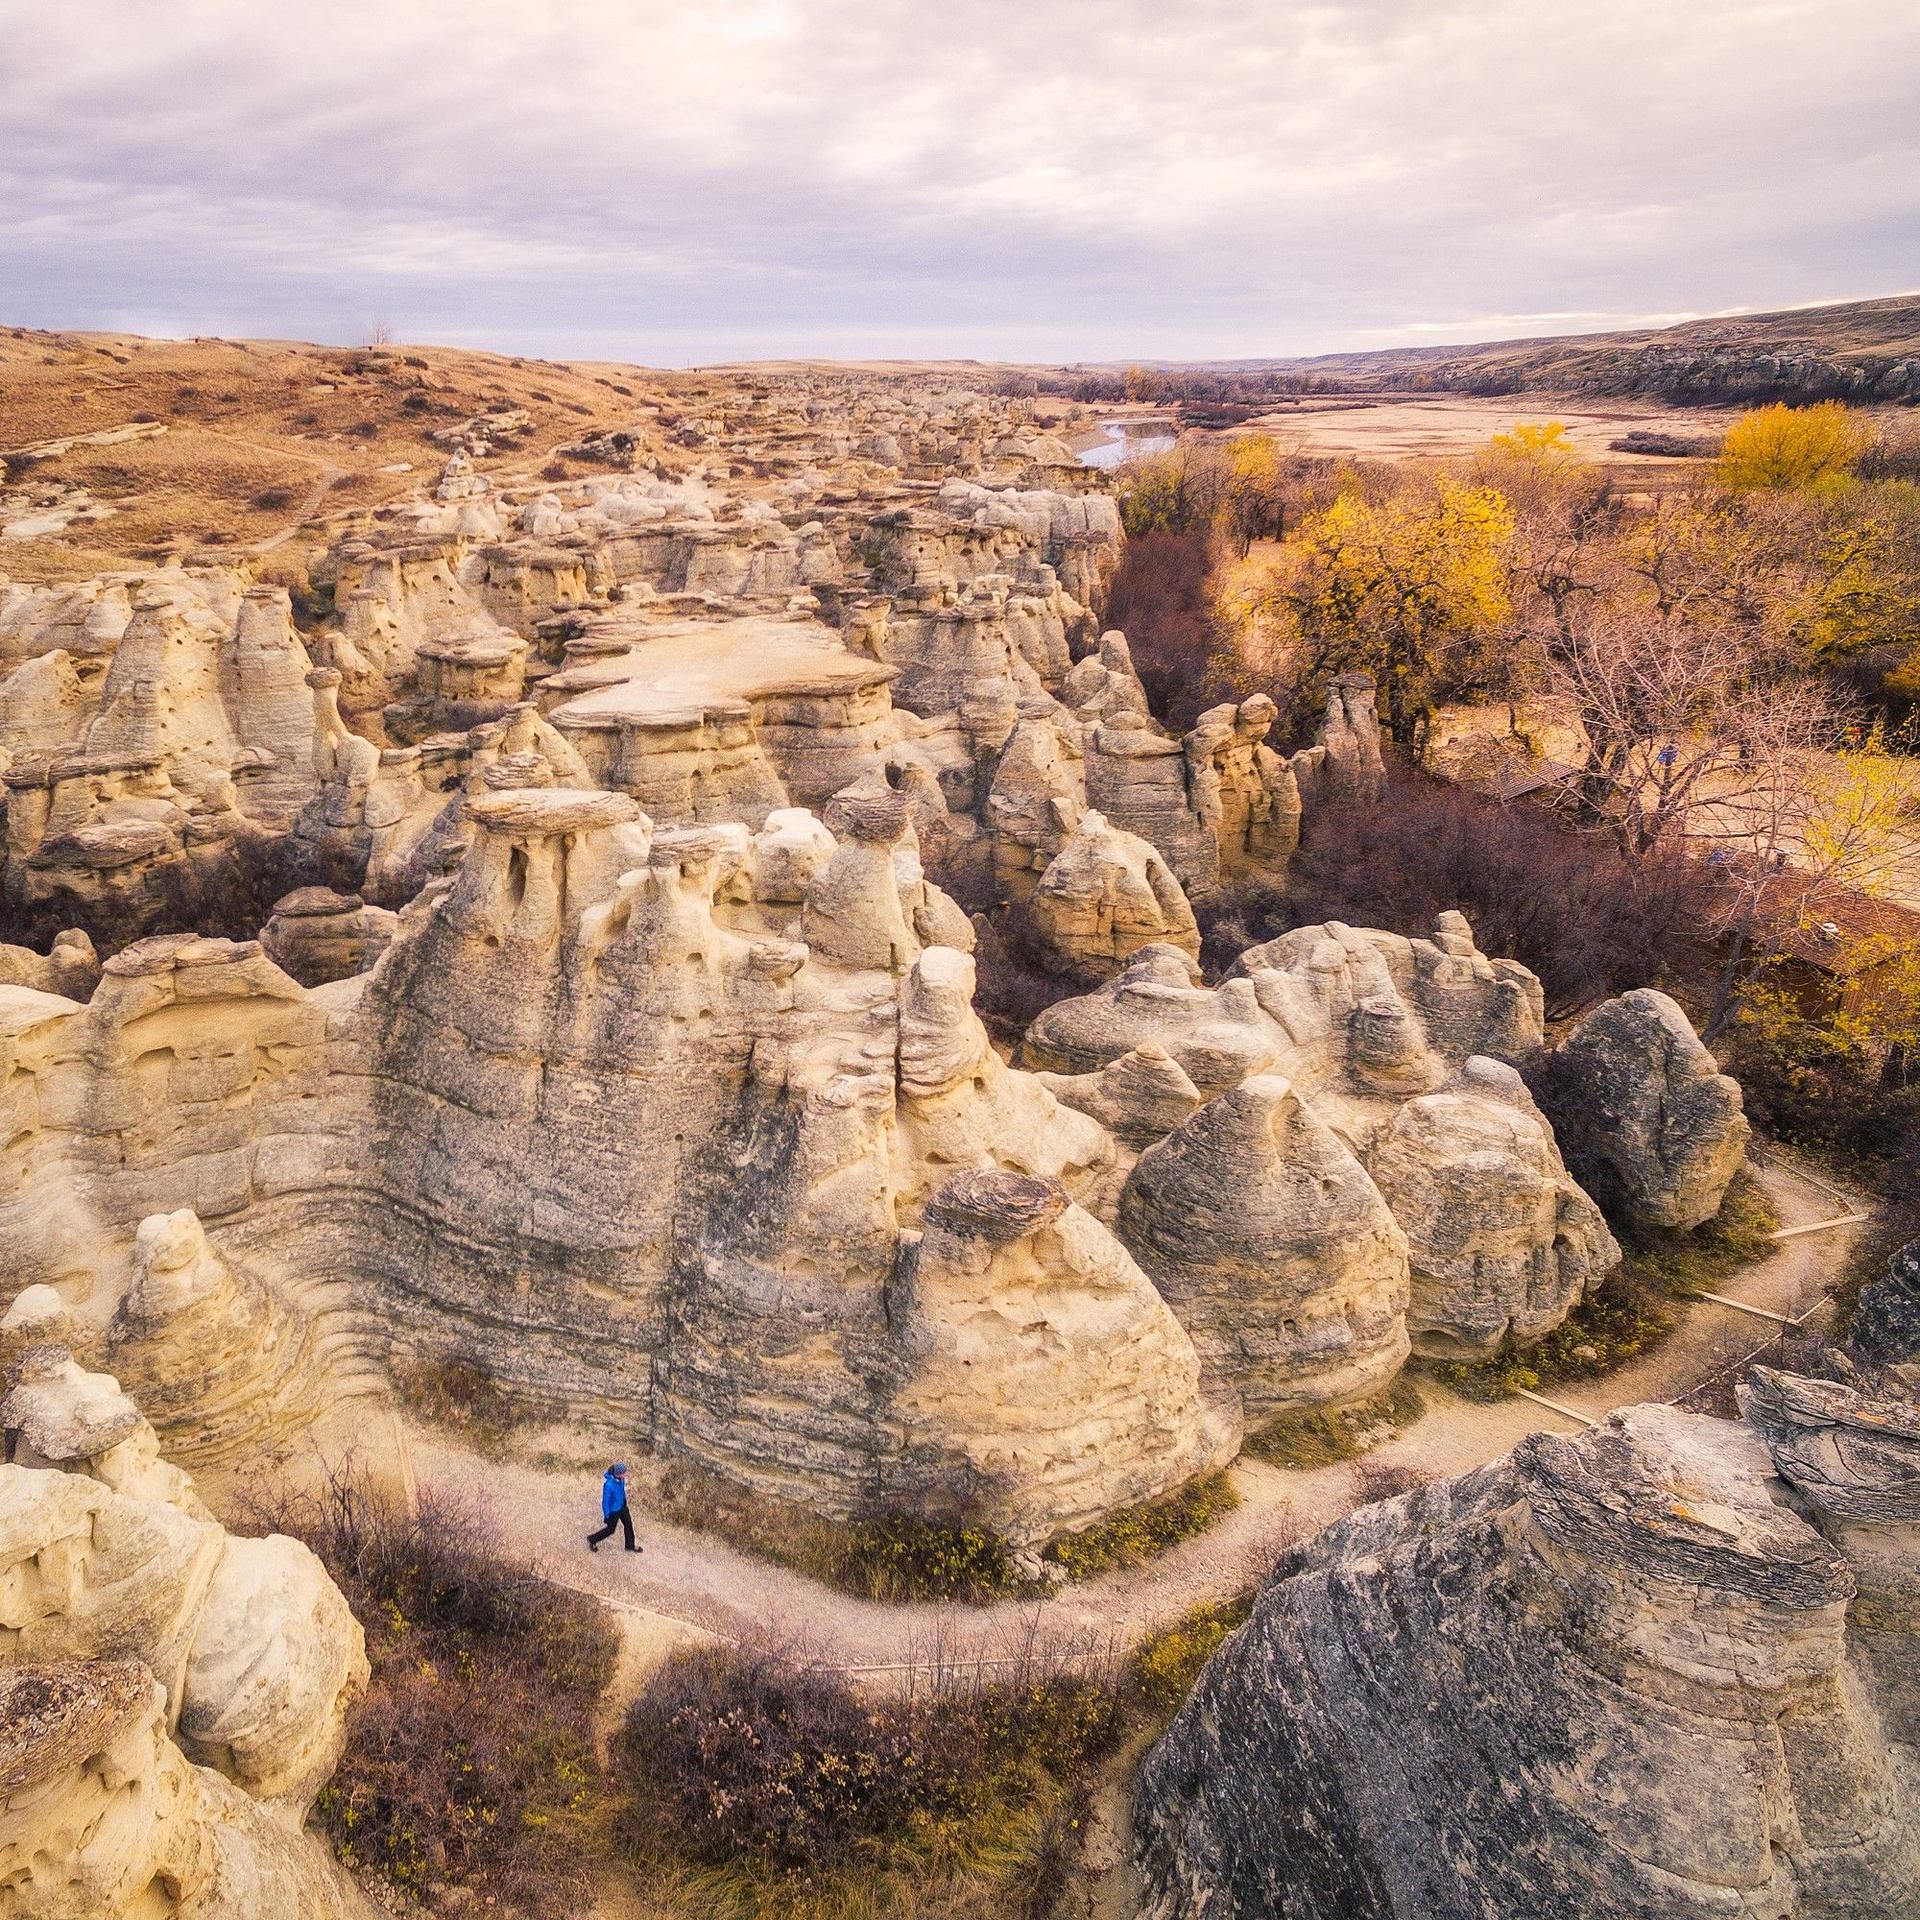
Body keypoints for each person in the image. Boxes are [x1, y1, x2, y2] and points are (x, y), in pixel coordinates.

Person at [587, 1461, 639, 1553]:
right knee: (610, 1530)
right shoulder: (608, 1485)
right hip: (614, 1511)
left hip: (622, 1506)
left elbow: (622, 1491)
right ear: (618, 1474)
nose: (626, 1474)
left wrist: (624, 1502)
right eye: (624, 1473)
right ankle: (592, 1539)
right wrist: (607, 1515)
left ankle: (630, 1546)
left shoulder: (621, 1479)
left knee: (628, 1524)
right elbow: (605, 1502)